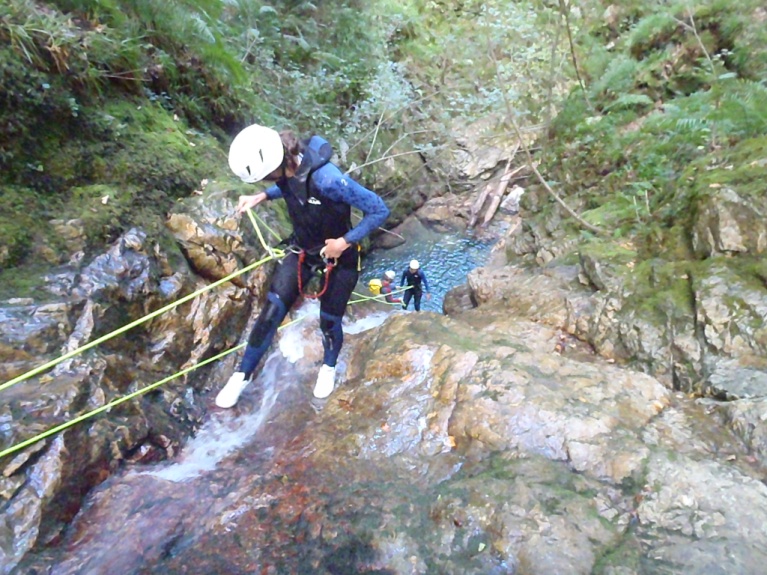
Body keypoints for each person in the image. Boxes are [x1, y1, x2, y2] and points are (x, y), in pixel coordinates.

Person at [216, 124, 389, 407]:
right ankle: (242, 374)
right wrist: (262, 196)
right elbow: (287, 185)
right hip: (303, 248)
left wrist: (344, 242)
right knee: (272, 309)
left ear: (280, 162)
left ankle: (328, 366)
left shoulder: (328, 180)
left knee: (329, 319)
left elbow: (379, 209)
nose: (264, 183)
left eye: (264, 180)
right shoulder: (285, 167)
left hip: (338, 255)